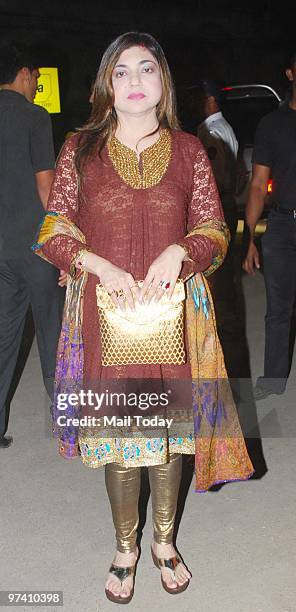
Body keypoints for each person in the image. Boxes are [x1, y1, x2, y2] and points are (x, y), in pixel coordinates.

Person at [33, 32, 253, 603]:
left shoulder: (188, 150)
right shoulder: (80, 148)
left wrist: (181, 251)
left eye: (146, 69)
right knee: (122, 439)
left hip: (173, 316)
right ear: (108, 83)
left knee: (168, 436)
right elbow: (54, 229)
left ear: (163, 82)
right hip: (105, 320)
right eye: (123, 70)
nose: (135, 80)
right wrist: (96, 264)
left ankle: (163, 540)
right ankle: (126, 546)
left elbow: (212, 231)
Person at [0, 42, 65, 448]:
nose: (37, 88)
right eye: (37, 80)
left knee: (4, 337)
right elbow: (47, 186)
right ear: (24, 74)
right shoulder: (34, 117)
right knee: (52, 332)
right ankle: (67, 426)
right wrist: (63, 243)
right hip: (35, 248)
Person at [243, 51, 296, 400]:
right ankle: (274, 380)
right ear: (291, 73)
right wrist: (249, 238)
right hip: (282, 227)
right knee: (279, 307)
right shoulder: (272, 125)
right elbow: (259, 185)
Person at [196, 79, 240, 374]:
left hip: (218, 207)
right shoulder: (226, 128)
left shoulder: (210, 133)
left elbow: (212, 176)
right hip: (228, 203)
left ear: (209, 100)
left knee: (217, 281)